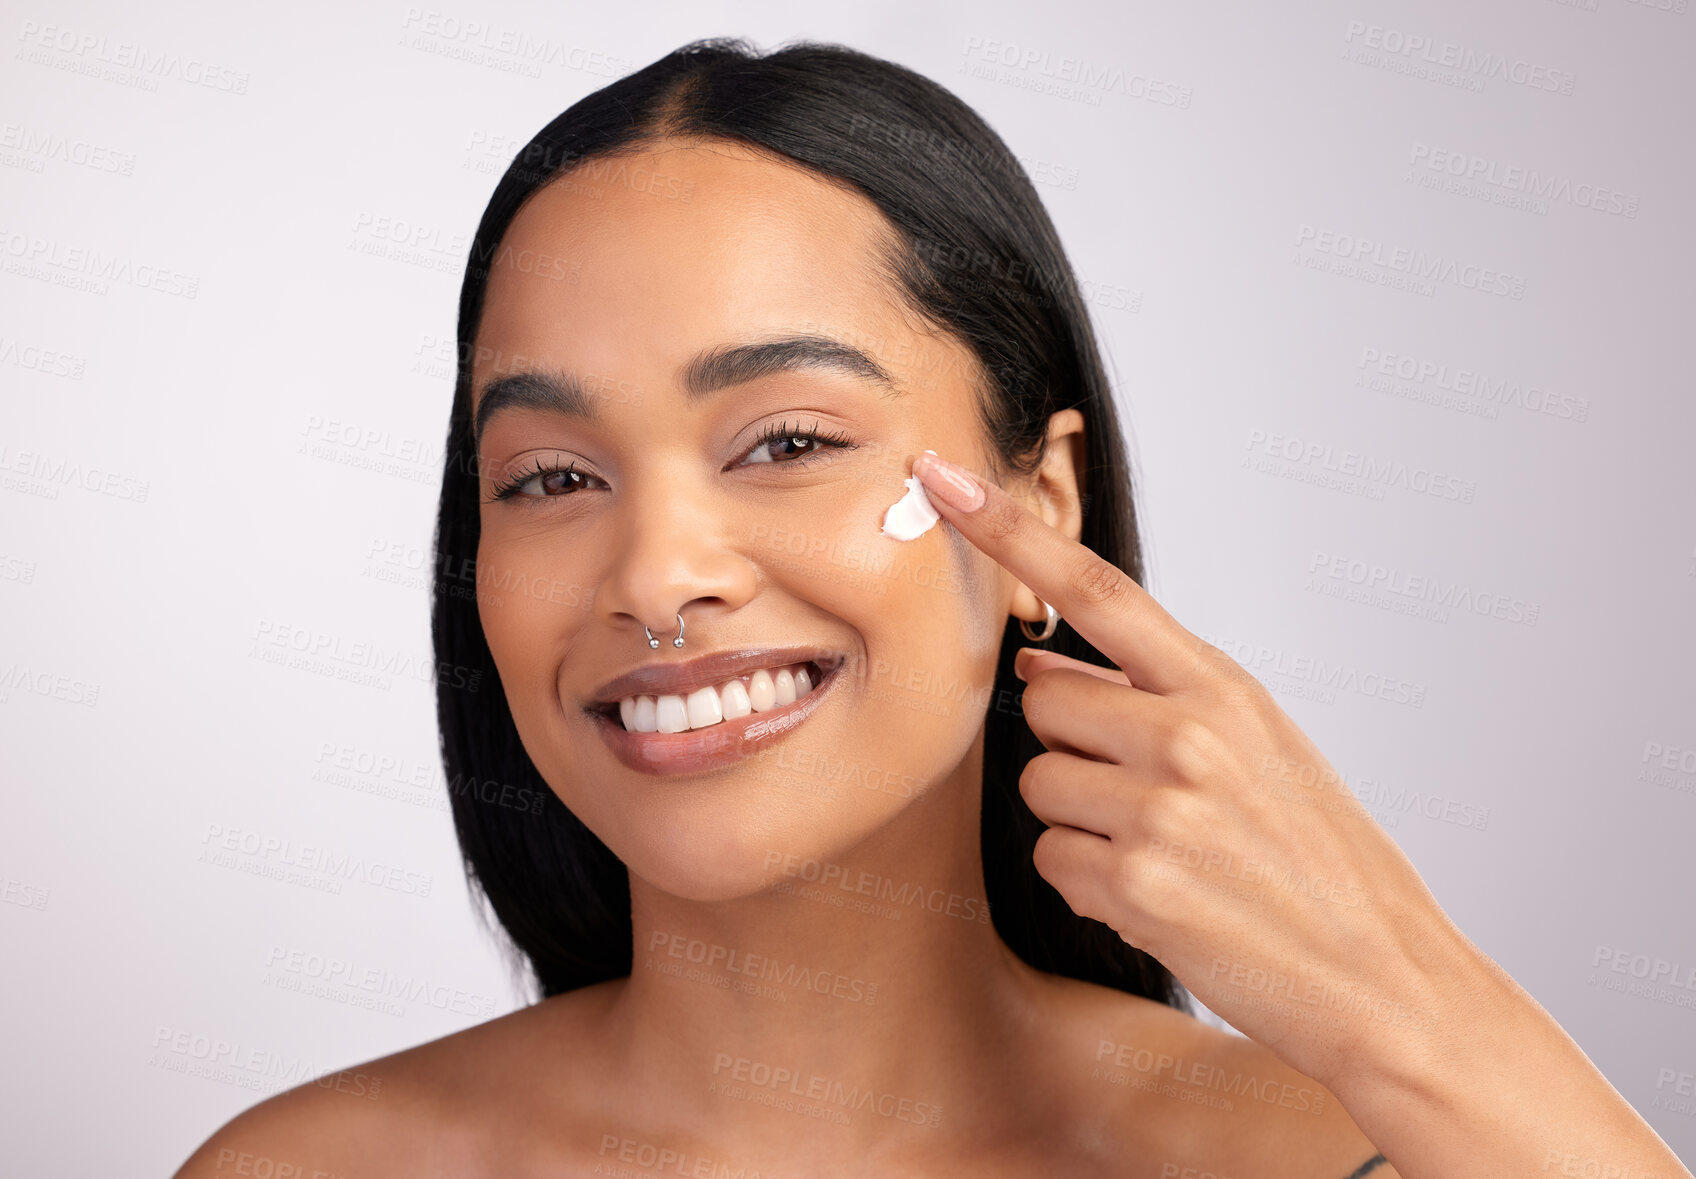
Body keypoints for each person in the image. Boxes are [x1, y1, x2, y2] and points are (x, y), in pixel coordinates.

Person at [174, 37, 1690, 1179]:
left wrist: (1401, 996)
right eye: (552, 478)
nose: (653, 575)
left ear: (1041, 506)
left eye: (787, 443)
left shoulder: (1328, 1158)